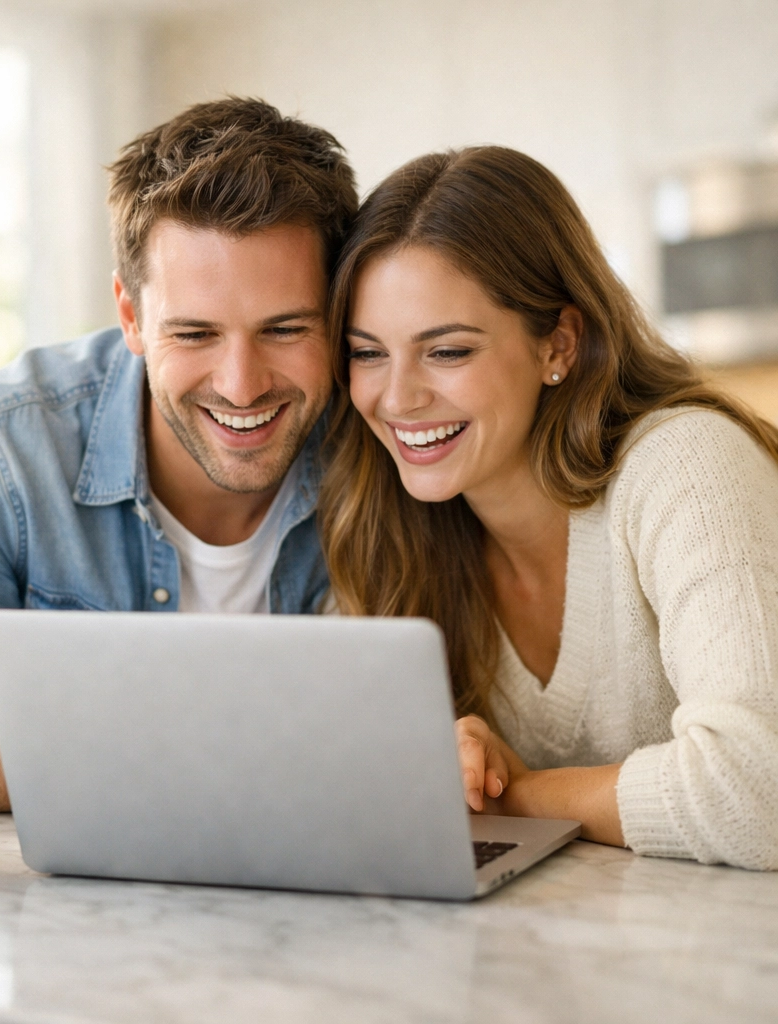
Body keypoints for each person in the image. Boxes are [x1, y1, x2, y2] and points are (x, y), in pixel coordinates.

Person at [0, 98, 357, 811]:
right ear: (130, 316)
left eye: (286, 328)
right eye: (196, 334)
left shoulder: (382, 437)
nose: (241, 384)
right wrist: (172, 745)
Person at [319, 146, 778, 869]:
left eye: (447, 352)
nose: (397, 398)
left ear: (558, 344)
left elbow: (759, 790)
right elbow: (329, 776)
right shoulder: (393, 521)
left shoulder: (685, 468)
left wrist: (520, 796)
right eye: (368, 353)